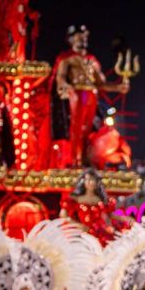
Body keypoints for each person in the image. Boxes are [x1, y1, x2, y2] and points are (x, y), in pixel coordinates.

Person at [52, 25, 129, 167]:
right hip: (77, 93)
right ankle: (76, 159)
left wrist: (118, 87)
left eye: (85, 36)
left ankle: (87, 158)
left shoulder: (92, 59)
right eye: (79, 36)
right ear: (71, 39)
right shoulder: (66, 58)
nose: (83, 38)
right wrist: (65, 87)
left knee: (89, 128)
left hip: (91, 94)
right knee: (76, 127)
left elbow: (101, 83)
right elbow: (60, 77)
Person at [60, 168, 130, 245]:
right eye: (87, 180)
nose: (90, 182)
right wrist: (78, 225)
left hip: (99, 232)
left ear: (97, 182)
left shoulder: (101, 199)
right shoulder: (75, 198)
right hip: (81, 233)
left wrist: (124, 218)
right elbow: (63, 215)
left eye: (92, 180)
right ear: (83, 181)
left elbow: (108, 215)